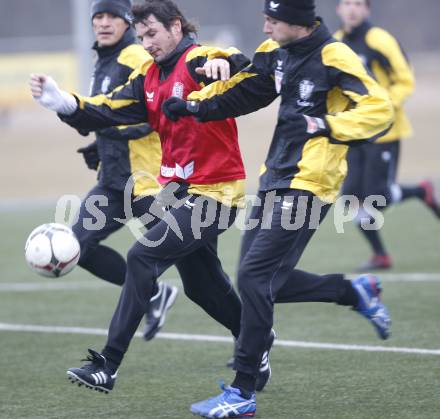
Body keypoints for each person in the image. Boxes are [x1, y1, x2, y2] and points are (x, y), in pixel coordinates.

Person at [30, 0, 275, 396]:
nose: (146, 43)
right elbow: (109, 109)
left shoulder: (197, 59)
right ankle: (257, 338)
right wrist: (64, 103)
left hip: (215, 194)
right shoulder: (148, 77)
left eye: (152, 34)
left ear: (176, 27)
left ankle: (107, 365)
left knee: (142, 256)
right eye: (141, 36)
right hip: (177, 194)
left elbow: (233, 59)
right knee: (202, 285)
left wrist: (224, 66)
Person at [163, 0, 394, 416]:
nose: (265, 25)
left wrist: (328, 125)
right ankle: (352, 291)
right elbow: (248, 90)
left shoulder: (334, 55)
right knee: (263, 281)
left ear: (298, 23)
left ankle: (243, 391)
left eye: (272, 19)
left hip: (311, 182)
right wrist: (196, 106)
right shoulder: (275, 51)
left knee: (254, 277)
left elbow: (380, 110)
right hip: (276, 177)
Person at [72, 0, 177, 341]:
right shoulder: (102, 61)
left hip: (147, 183)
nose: (103, 23)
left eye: (112, 17)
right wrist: (99, 146)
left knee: (199, 269)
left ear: (127, 23)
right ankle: (156, 294)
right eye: (98, 17)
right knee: (77, 247)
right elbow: (111, 116)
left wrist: (110, 134)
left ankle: (250, 337)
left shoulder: (135, 56)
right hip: (114, 181)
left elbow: (151, 114)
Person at [335, 0, 440, 271]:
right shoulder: (335, 43)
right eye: (347, 3)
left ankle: (421, 191)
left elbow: (405, 79)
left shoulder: (379, 40)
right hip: (353, 132)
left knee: (377, 195)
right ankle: (380, 255)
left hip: (384, 131)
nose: (352, 9)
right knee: (351, 199)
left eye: (358, 3)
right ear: (338, 9)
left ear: (367, 9)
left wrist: (381, 109)